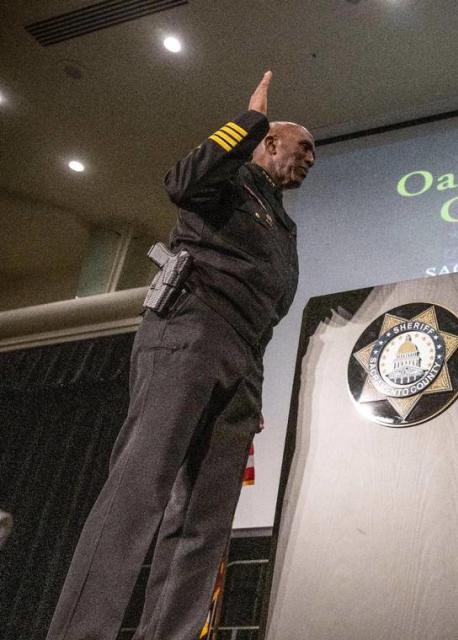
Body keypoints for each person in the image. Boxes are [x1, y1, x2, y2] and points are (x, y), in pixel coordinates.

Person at [46, 71, 316, 640]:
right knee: (139, 491)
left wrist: (253, 381)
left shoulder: (284, 224)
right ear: (270, 143)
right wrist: (247, 122)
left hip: (242, 360)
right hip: (190, 333)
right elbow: (181, 181)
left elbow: (269, 307)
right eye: (304, 147)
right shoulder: (232, 178)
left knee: (203, 523)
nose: (312, 160)